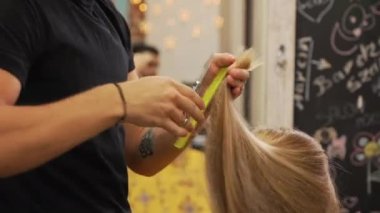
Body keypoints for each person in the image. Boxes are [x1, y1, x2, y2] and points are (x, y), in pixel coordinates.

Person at [0, 0, 249, 212]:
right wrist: (119, 99)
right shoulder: (19, 8)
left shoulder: (110, 18)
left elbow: (140, 152)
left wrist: (202, 101)